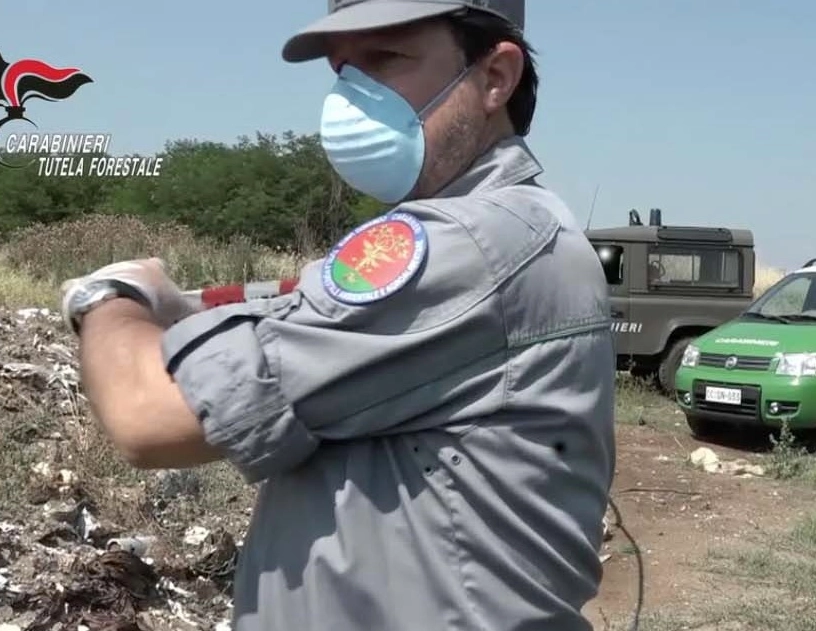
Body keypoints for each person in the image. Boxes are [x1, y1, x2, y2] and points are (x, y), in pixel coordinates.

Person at [57, 2, 618, 629]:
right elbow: (305, 307)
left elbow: (147, 417)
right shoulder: (506, 230)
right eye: (343, 69)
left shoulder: (474, 243)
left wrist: (110, 298)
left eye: (386, 59)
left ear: (495, 77)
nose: (352, 97)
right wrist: (190, 309)